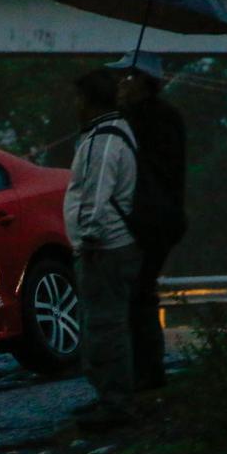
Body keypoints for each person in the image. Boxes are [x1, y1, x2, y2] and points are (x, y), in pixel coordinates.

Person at [63, 68, 142, 430]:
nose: (75, 106)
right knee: (106, 323)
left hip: (104, 247)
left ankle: (115, 402)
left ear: (89, 101)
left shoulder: (102, 141)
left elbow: (94, 194)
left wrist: (90, 237)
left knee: (104, 325)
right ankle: (109, 397)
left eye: (78, 98)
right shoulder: (115, 133)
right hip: (111, 245)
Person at [106, 51, 187, 390]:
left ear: (143, 82)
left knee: (137, 296)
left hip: (151, 221)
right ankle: (142, 374)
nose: (120, 84)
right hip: (155, 219)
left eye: (127, 77)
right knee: (138, 295)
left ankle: (146, 376)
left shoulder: (152, 120)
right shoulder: (144, 118)